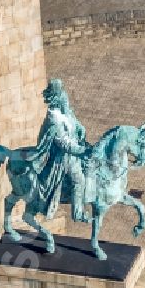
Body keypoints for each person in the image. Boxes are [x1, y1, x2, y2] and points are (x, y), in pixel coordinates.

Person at [26, 79, 90, 223]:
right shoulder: (53, 118)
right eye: (60, 94)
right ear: (55, 98)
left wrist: (80, 126)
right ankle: (77, 213)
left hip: (73, 148)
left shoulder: (63, 104)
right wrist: (81, 150)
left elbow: (71, 115)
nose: (64, 97)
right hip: (61, 157)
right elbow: (63, 143)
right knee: (79, 180)